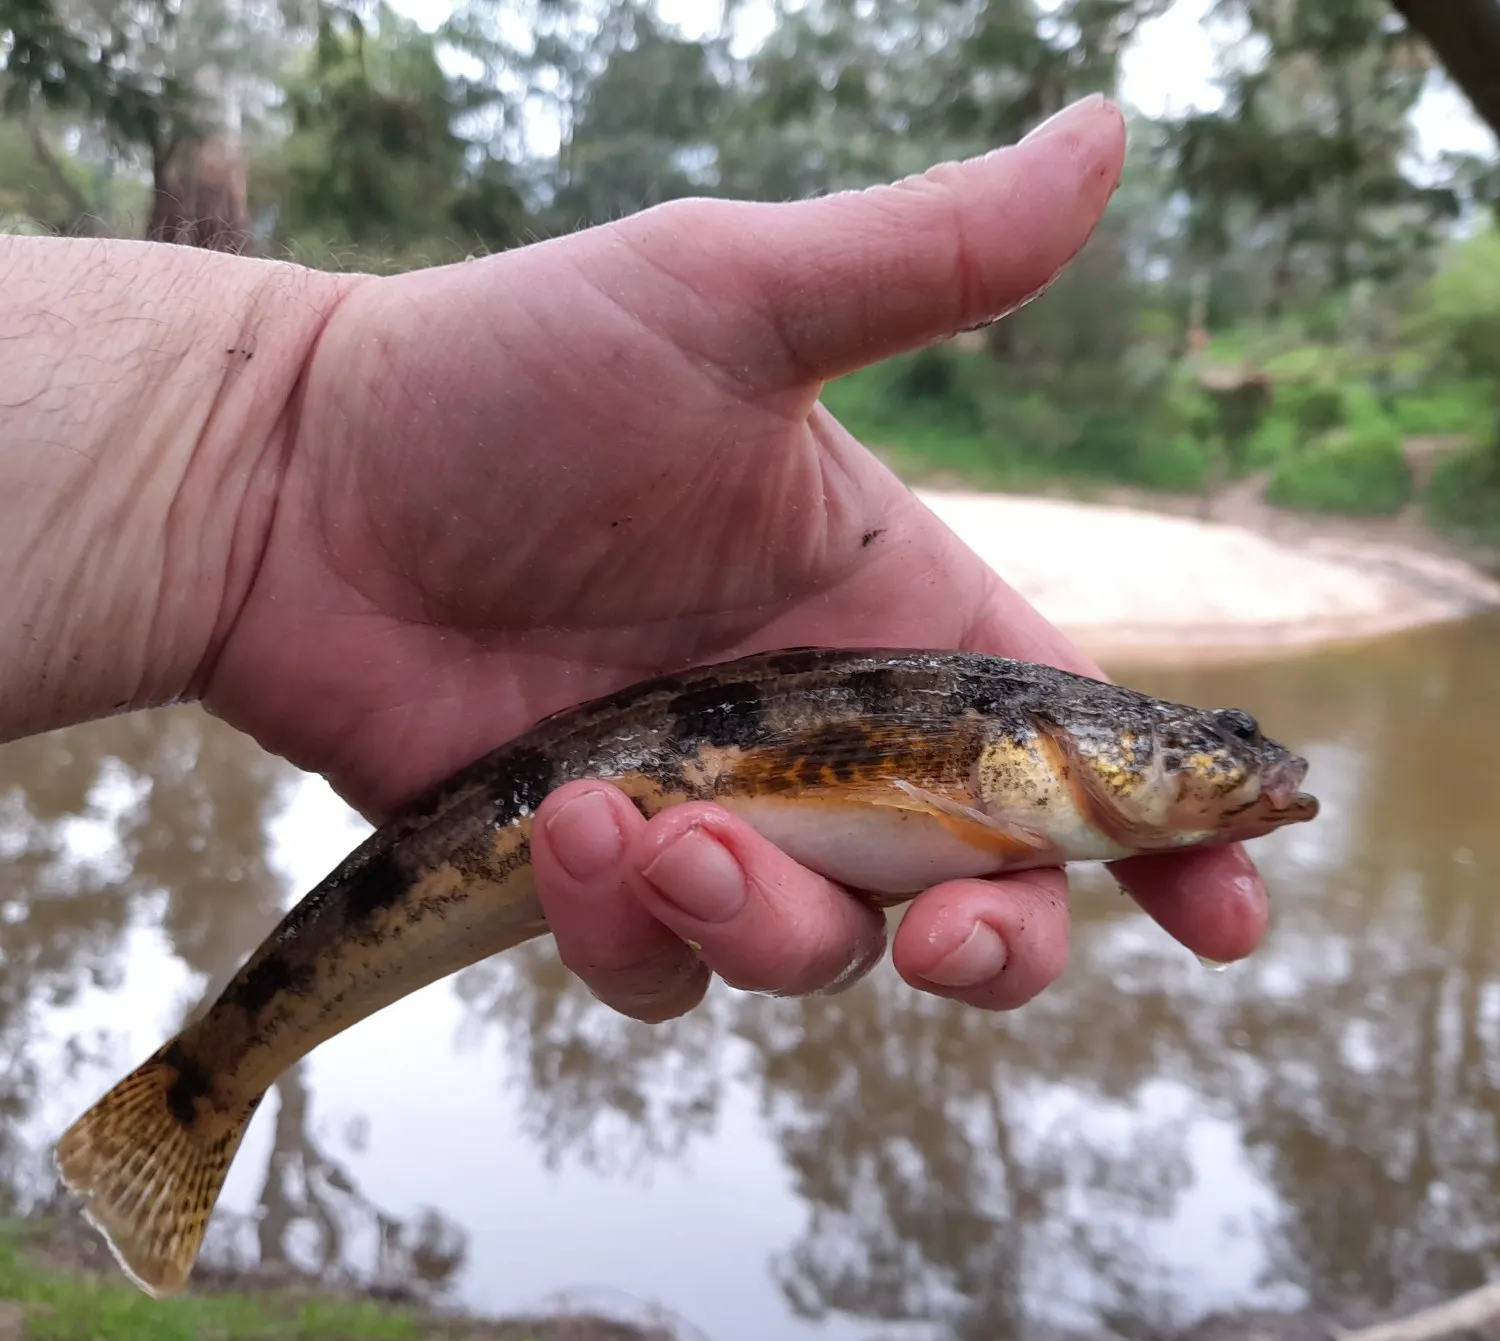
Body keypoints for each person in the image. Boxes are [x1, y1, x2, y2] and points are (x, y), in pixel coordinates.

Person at [1, 95, 1267, 1025]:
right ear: (1062, 751)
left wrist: (250, 463)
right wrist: (279, 440)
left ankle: (211, 1074)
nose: (1241, 769)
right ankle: (209, 1079)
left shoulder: (1023, 749)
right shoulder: (1012, 747)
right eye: (1212, 747)